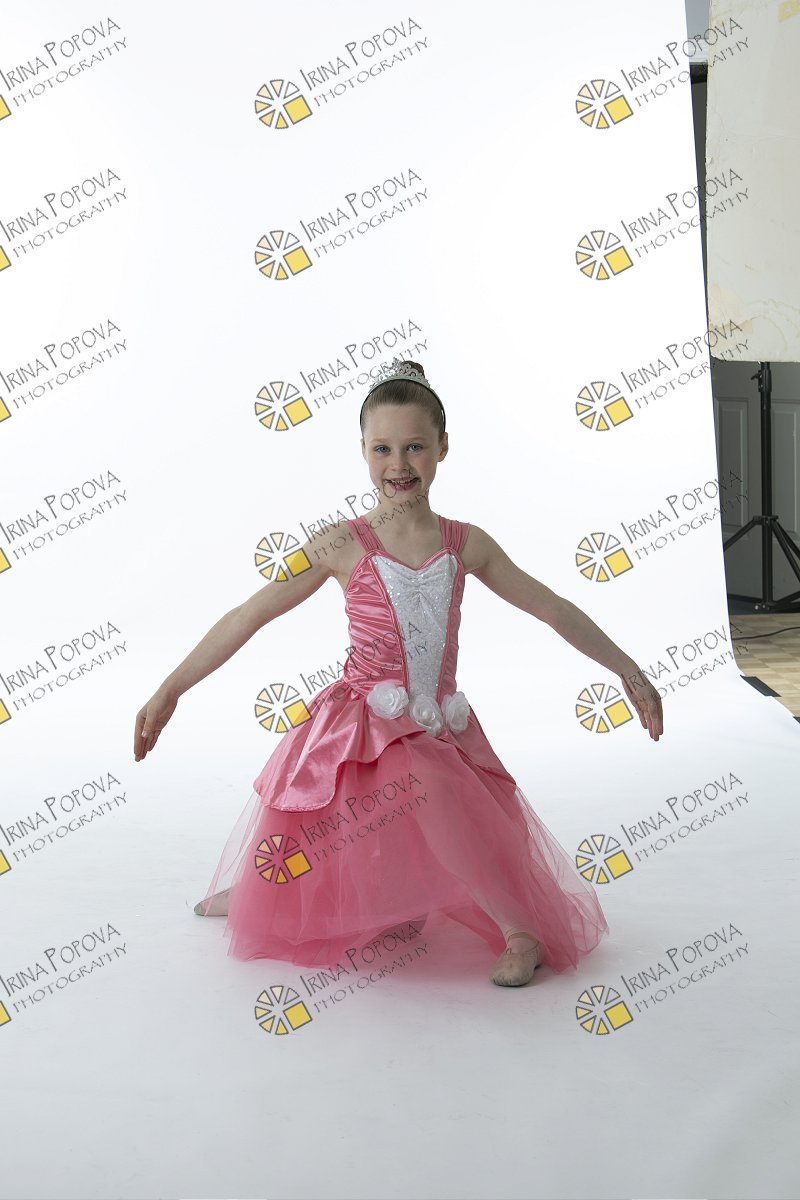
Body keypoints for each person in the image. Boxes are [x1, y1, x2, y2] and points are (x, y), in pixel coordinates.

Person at [134, 358, 663, 988]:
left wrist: (628, 670)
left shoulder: (465, 543)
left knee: (442, 794)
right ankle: (263, 895)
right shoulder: (341, 543)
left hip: (438, 721)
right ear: (362, 451)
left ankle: (518, 931)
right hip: (363, 724)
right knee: (384, 796)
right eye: (382, 448)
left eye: (415, 446)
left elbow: (552, 607)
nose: (399, 464)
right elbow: (248, 615)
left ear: (443, 446)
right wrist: (170, 689)